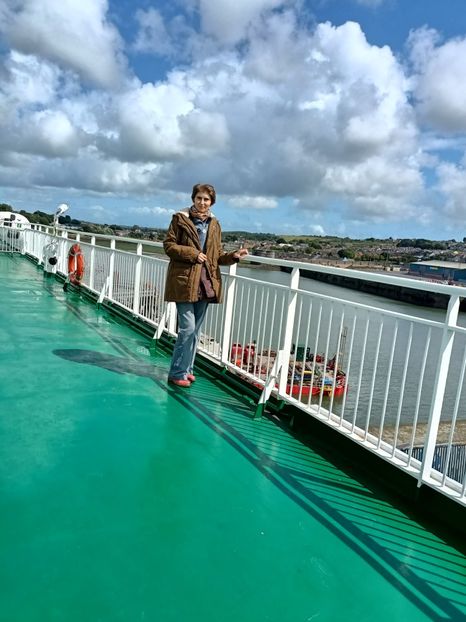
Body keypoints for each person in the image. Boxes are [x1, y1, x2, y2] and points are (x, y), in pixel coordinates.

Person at [163, 183, 248, 387]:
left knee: (196, 331)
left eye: (206, 199)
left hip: (206, 282)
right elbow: (168, 246)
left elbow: (216, 255)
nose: (202, 202)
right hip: (183, 281)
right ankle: (176, 372)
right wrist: (193, 254)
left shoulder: (214, 224)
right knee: (187, 328)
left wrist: (234, 256)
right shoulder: (180, 219)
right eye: (199, 198)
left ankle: (187, 368)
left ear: (212, 202)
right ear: (193, 199)